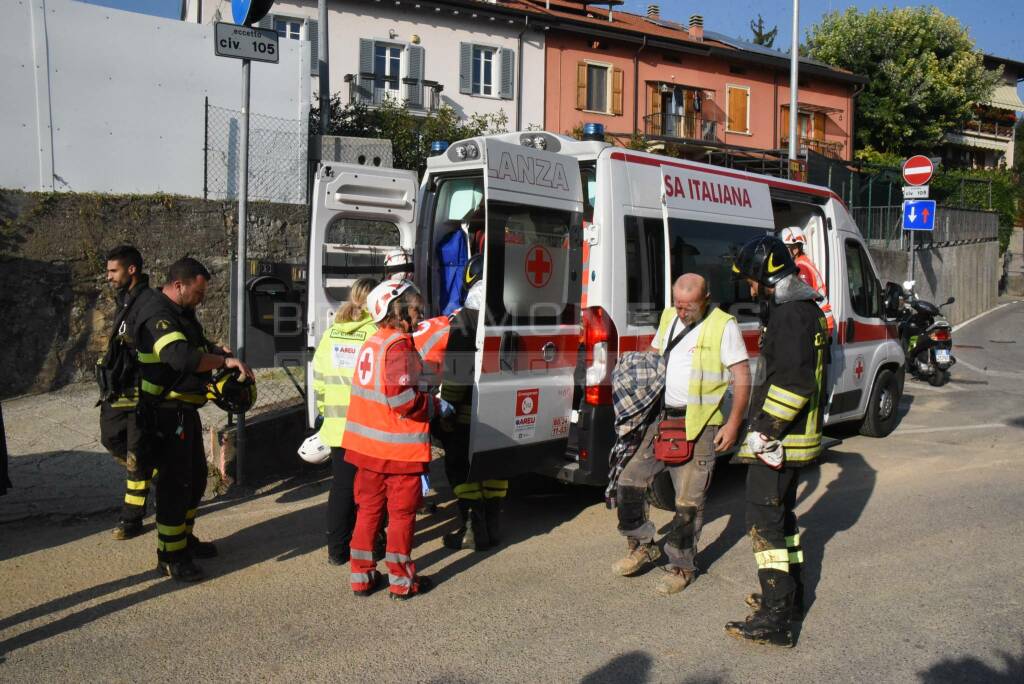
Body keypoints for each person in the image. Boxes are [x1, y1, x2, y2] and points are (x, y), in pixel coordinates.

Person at [611, 273, 751, 595]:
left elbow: (741, 375)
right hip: (663, 419)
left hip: (701, 425)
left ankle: (682, 567)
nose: (682, 312)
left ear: (706, 299)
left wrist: (732, 424)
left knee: (688, 502)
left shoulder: (723, 325)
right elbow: (656, 353)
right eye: (678, 305)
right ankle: (642, 546)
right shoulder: (669, 316)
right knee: (629, 481)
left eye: (689, 307)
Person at [725, 235, 828, 647]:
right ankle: (788, 598)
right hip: (794, 440)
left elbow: (794, 382)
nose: (750, 288)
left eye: (752, 280)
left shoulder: (790, 317)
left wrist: (765, 431)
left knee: (764, 526)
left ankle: (775, 619)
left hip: (780, 442)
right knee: (783, 523)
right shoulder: (803, 311)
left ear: (768, 276)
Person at [133, 257, 254, 581]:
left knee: (196, 481)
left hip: (183, 413)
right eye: (198, 293)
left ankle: (183, 541)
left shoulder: (181, 313)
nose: (201, 299)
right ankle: (171, 556)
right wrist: (222, 362)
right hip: (164, 415)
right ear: (179, 285)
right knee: (175, 487)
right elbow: (180, 357)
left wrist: (217, 350)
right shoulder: (158, 314)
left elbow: (195, 345)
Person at [342, 279, 454, 599]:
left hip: (367, 451)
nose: (419, 316)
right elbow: (403, 400)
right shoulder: (399, 347)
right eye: (415, 309)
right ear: (397, 310)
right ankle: (402, 583)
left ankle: (361, 577)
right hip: (397, 452)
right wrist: (435, 405)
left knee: (368, 513)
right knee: (402, 517)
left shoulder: (374, 342)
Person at [438, 255, 508, 551]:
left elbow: (456, 373)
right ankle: (491, 528)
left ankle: (471, 530)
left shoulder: (465, 320)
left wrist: (447, 409)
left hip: (468, 412)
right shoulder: (510, 313)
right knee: (494, 467)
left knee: (460, 468)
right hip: (503, 411)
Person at [312, 278, 379, 566]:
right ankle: (372, 544)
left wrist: (326, 411)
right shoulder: (375, 333)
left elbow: (319, 377)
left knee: (341, 487)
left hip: (337, 425)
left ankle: (336, 551)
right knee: (371, 489)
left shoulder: (332, 332)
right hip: (367, 425)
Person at [97, 245, 160, 539]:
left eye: (113, 271)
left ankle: (131, 519)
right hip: (117, 389)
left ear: (131, 270)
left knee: (136, 456)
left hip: (139, 391)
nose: (108, 276)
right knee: (110, 437)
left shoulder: (149, 301)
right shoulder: (124, 298)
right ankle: (156, 472)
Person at [779, 226, 834, 337]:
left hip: (820, 322)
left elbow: (801, 303)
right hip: (821, 319)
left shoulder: (801, 267)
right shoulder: (802, 263)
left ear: (795, 248)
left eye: (785, 248)